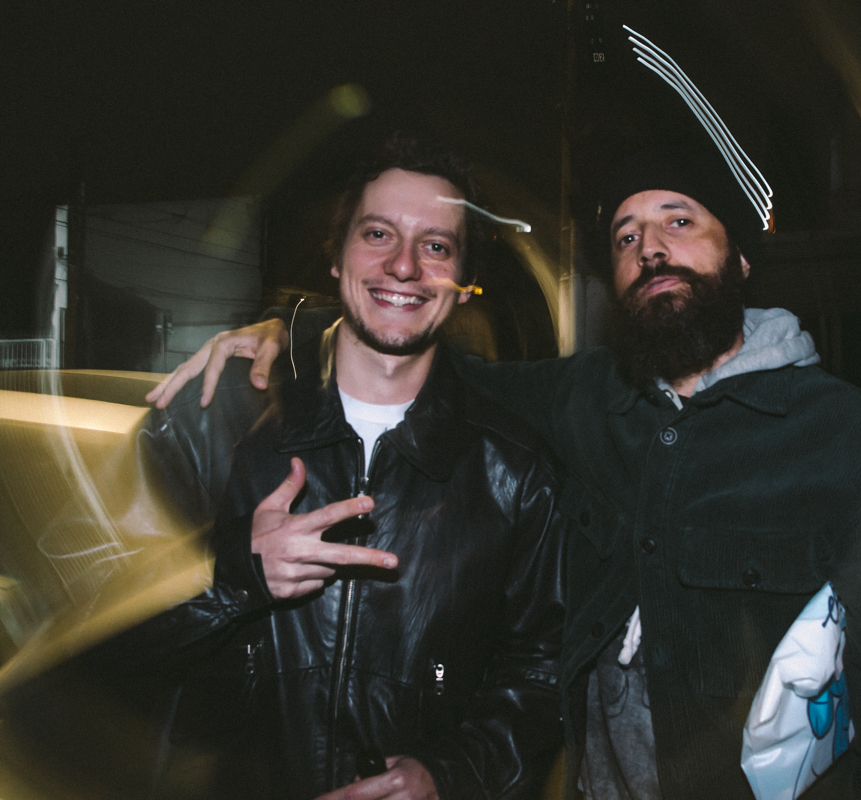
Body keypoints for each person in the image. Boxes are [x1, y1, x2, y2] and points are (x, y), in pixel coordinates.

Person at [151, 143, 861, 799]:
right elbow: (419, 356)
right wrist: (294, 331)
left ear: (738, 260)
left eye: (679, 221)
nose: (650, 248)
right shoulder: (586, 399)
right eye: (626, 237)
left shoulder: (852, 443)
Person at [119, 136, 568, 800]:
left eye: (436, 246)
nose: (404, 265)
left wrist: (449, 774)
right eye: (377, 234)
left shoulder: (515, 471)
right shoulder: (212, 419)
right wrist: (239, 577)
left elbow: (541, 673)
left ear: (463, 283)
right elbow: (105, 645)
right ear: (337, 257)